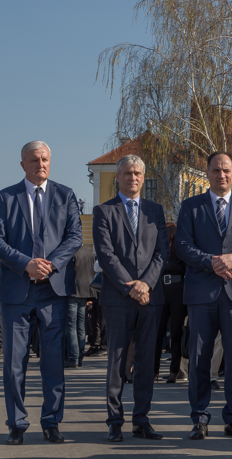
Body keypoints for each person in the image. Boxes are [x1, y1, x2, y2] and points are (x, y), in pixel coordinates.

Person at [0, 140, 82, 445]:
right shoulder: (6, 197)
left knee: (53, 362)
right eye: (34, 160)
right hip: (17, 291)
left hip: (53, 290)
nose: (40, 164)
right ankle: (16, 424)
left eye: (45, 160)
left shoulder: (66, 195)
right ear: (23, 165)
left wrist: (50, 265)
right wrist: (26, 264)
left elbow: (74, 237)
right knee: (14, 363)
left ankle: (51, 422)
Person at [176, 150, 232, 440]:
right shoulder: (191, 206)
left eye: (226, 170)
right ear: (207, 173)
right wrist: (211, 261)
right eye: (216, 170)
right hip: (201, 293)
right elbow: (183, 245)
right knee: (199, 358)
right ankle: (200, 419)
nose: (221, 175)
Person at [93, 154, 167, 442]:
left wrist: (146, 284)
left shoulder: (155, 211)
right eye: (127, 173)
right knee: (117, 361)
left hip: (150, 298)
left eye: (137, 173)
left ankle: (142, 420)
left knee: (146, 361)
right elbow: (106, 255)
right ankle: (114, 421)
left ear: (143, 178)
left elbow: (161, 253)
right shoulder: (104, 211)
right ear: (118, 177)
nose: (132, 178)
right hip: (118, 298)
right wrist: (131, 287)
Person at [154, 223, 189, 383]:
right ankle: (154, 370)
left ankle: (174, 371)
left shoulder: (180, 252)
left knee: (176, 331)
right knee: (158, 331)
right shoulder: (161, 252)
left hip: (177, 290)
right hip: (162, 288)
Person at [65, 245, 96, 368]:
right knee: (81, 326)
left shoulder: (71, 252)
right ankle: (80, 356)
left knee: (71, 326)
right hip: (85, 292)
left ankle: (73, 357)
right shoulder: (89, 253)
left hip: (73, 291)